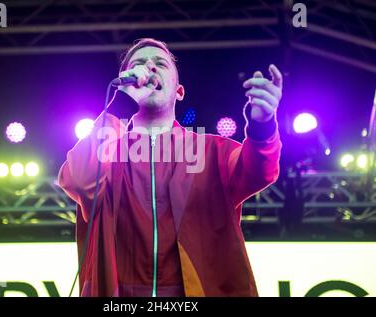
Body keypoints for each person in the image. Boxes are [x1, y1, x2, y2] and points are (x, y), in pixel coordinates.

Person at [58, 38, 282, 297]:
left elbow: (259, 172)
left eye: (160, 64)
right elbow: (76, 179)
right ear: (124, 84)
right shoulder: (107, 152)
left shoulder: (213, 151)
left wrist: (263, 126)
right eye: (139, 64)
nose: (150, 68)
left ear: (178, 91)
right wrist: (120, 106)